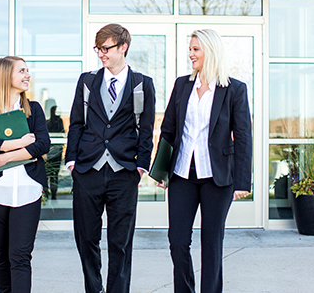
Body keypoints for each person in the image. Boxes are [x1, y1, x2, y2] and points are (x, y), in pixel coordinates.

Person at [157, 29, 252, 293]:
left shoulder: (234, 90)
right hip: (182, 174)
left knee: (212, 243)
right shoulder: (182, 85)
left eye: (195, 49)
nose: (191, 54)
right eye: (190, 49)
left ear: (210, 51)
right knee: (177, 241)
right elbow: (168, 130)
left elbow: (243, 137)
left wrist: (242, 181)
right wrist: (161, 172)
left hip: (217, 177)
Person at [65, 23, 156, 293]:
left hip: (124, 171)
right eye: (98, 49)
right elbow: (77, 124)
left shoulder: (142, 84)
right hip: (87, 169)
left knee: (121, 241)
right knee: (86, 238)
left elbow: (147, 128)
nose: (101, 54)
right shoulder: (87, 81)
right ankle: (94, 289)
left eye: (106, 48)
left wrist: (141, 167)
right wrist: (72, 162)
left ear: (123, 47)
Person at [0, 56, 50, 293]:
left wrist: (5, 156)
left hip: (27, 192)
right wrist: (19, 143)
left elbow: (42, 145)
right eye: (22, 71)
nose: (28, 75)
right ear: (5, 75)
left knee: (20, 257)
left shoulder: (34, 109)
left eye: (27, 70)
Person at [45, 105, 65, 200]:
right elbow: (62, 133)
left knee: (47, 173)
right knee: (54, 174)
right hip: (55, 150)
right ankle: (53, 194)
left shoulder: (47, 121)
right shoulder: (56, 121)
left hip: (50, 150)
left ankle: (47, 194)